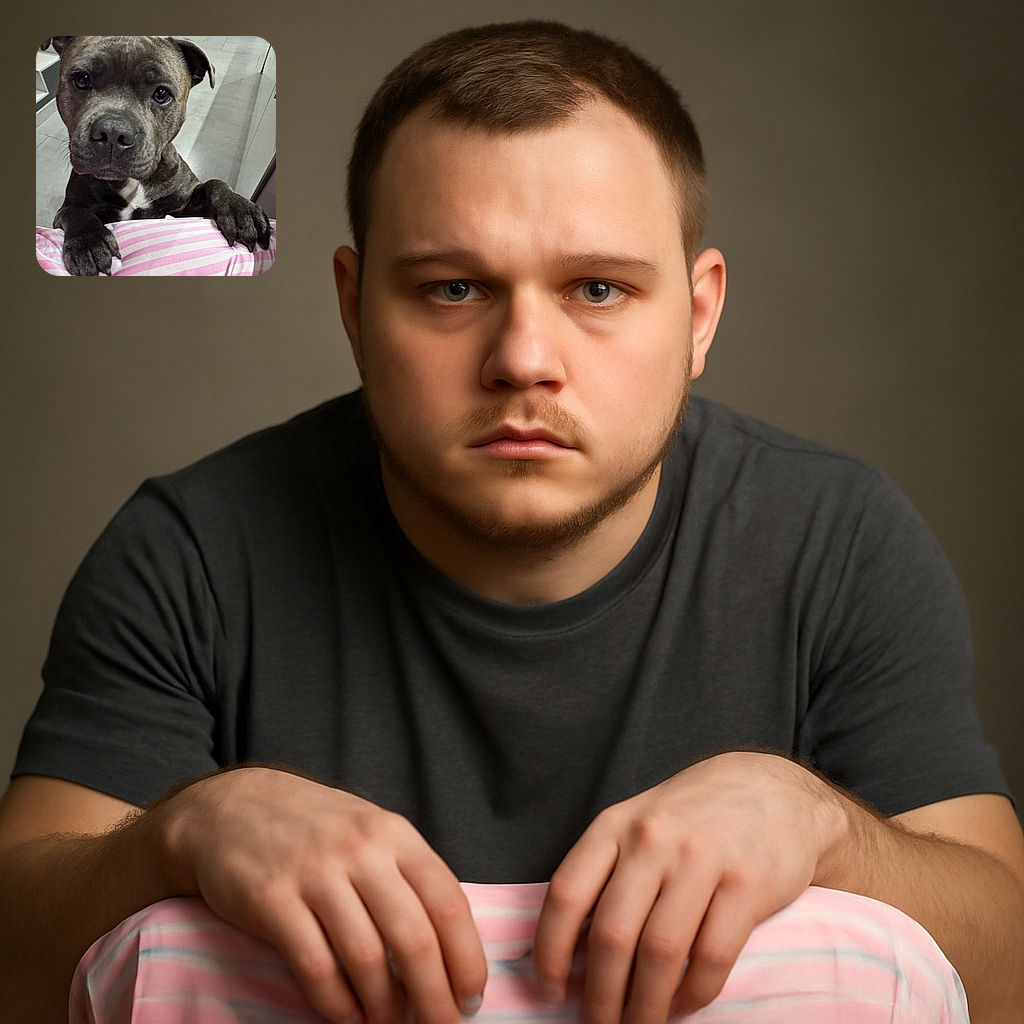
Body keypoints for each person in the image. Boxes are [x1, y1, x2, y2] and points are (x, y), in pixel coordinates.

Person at [2, 19, 1023, 1024]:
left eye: (596, 288)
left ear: (699, 314)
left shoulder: (837, 540)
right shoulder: (189, 551)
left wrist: (819, 821)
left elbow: (1008, 968)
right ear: (355, 311)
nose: (524, 356)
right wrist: (180, 832)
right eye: (452, 287)